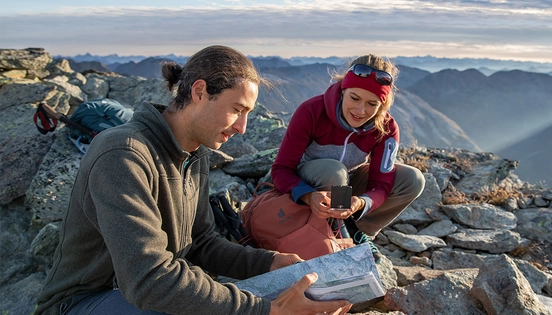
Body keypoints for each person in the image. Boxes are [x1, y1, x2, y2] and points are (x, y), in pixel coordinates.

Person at [35, 45, 350, 315]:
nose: (242, 126)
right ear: (199, 92)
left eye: (248, 113)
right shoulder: (124, 154)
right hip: (81, 302)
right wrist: (264, 310)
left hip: (142, 293)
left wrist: (269, 263)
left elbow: (200, 241)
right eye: (237, 109)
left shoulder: (194, 152)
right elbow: (149, 281)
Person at [271, 54, 426, 262]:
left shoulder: (386, 128)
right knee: (335, 171)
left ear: (382, 105)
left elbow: (382, 184)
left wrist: (361, 202)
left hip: (348, 183)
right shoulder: (311, 111)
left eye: (372, 104)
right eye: (354, 98)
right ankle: (337, 234)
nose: (361, 111)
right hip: (311, 181)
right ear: (343, 89)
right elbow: (281, 169)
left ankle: (357, 230)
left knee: (413, 179)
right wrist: (307, 195)